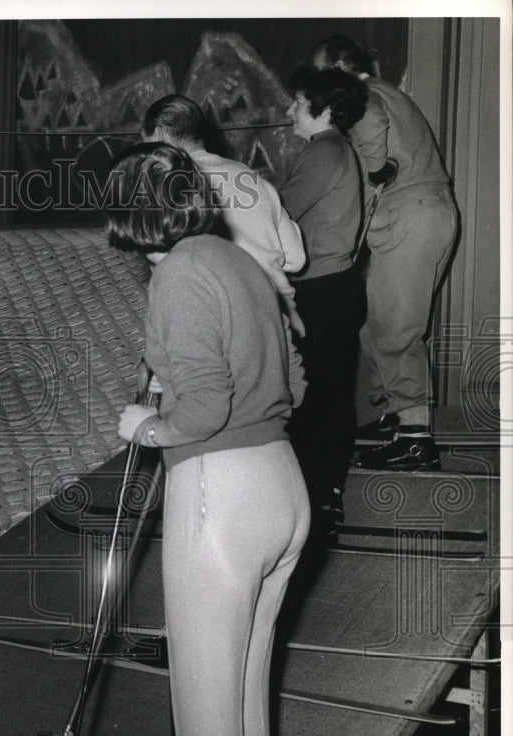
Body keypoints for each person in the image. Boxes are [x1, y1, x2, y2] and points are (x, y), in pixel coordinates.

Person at [110, 142, 310, 736]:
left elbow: (204, 404)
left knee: (205, 716)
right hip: (282, 481)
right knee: (248, 689)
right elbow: (296, 381)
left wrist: (147, 426)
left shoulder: (178, 273)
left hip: (220, 498)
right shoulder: (242, 261)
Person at [313, 35, 458, 470]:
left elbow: (371, 124)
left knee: (395, 330)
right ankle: (397, 420)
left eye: (321, 73)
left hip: (409, 213)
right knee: (379, 325)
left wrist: (376, 168)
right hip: (427, 211)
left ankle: (415, 439)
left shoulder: (362, 94)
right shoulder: (390, 90)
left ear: (339, 67)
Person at [280, 66, 367, 530]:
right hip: (340, 286)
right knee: (331, 397)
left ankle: (310, 500)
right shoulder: (340, 149)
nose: (288, 110)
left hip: (318, 292)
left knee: (312, 400)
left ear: (325, 108)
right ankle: (325, 494)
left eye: (296, 102)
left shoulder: (322, 152)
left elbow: (278, 217)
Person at [141, 94, 307, 337]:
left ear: (159, 134)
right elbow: (296, 259)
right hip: (275, 320)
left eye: (143, 141)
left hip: (211, 324)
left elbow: (161, 259)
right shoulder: (252, 177)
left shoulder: (164, 185)